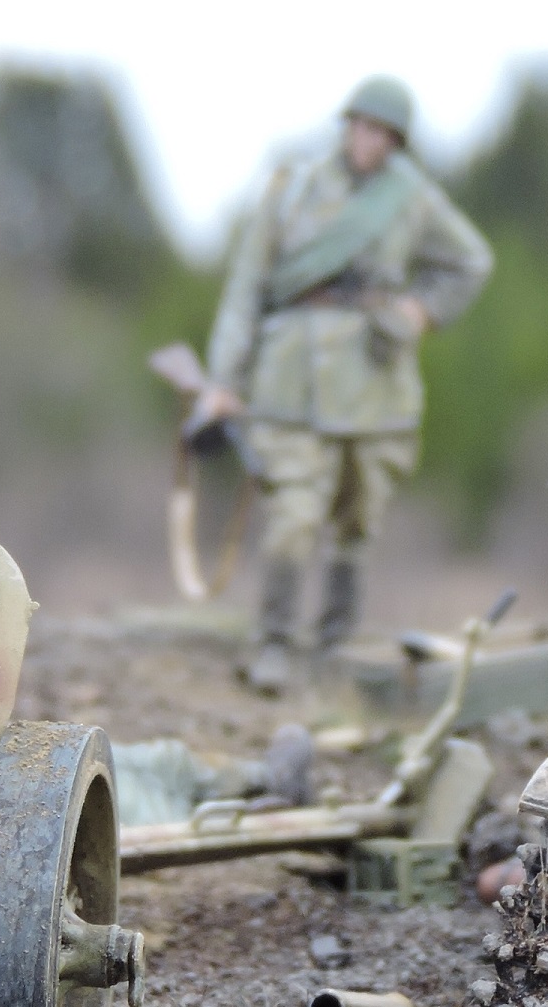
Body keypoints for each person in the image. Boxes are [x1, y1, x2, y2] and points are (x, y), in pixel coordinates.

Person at [197, 75, 492, 692]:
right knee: (293, 518)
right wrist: (224, 378)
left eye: (383, 133)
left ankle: (335, 644)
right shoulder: (292, 189)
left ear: (397, 142)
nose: (369, 141)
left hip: (374, 381)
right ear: (347, 126)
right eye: (362, 126)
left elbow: (471, 261)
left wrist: (418, 310)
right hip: (292, 382)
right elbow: (246, 288)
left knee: (359, 522)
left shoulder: (412, 198)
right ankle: (275, 642)